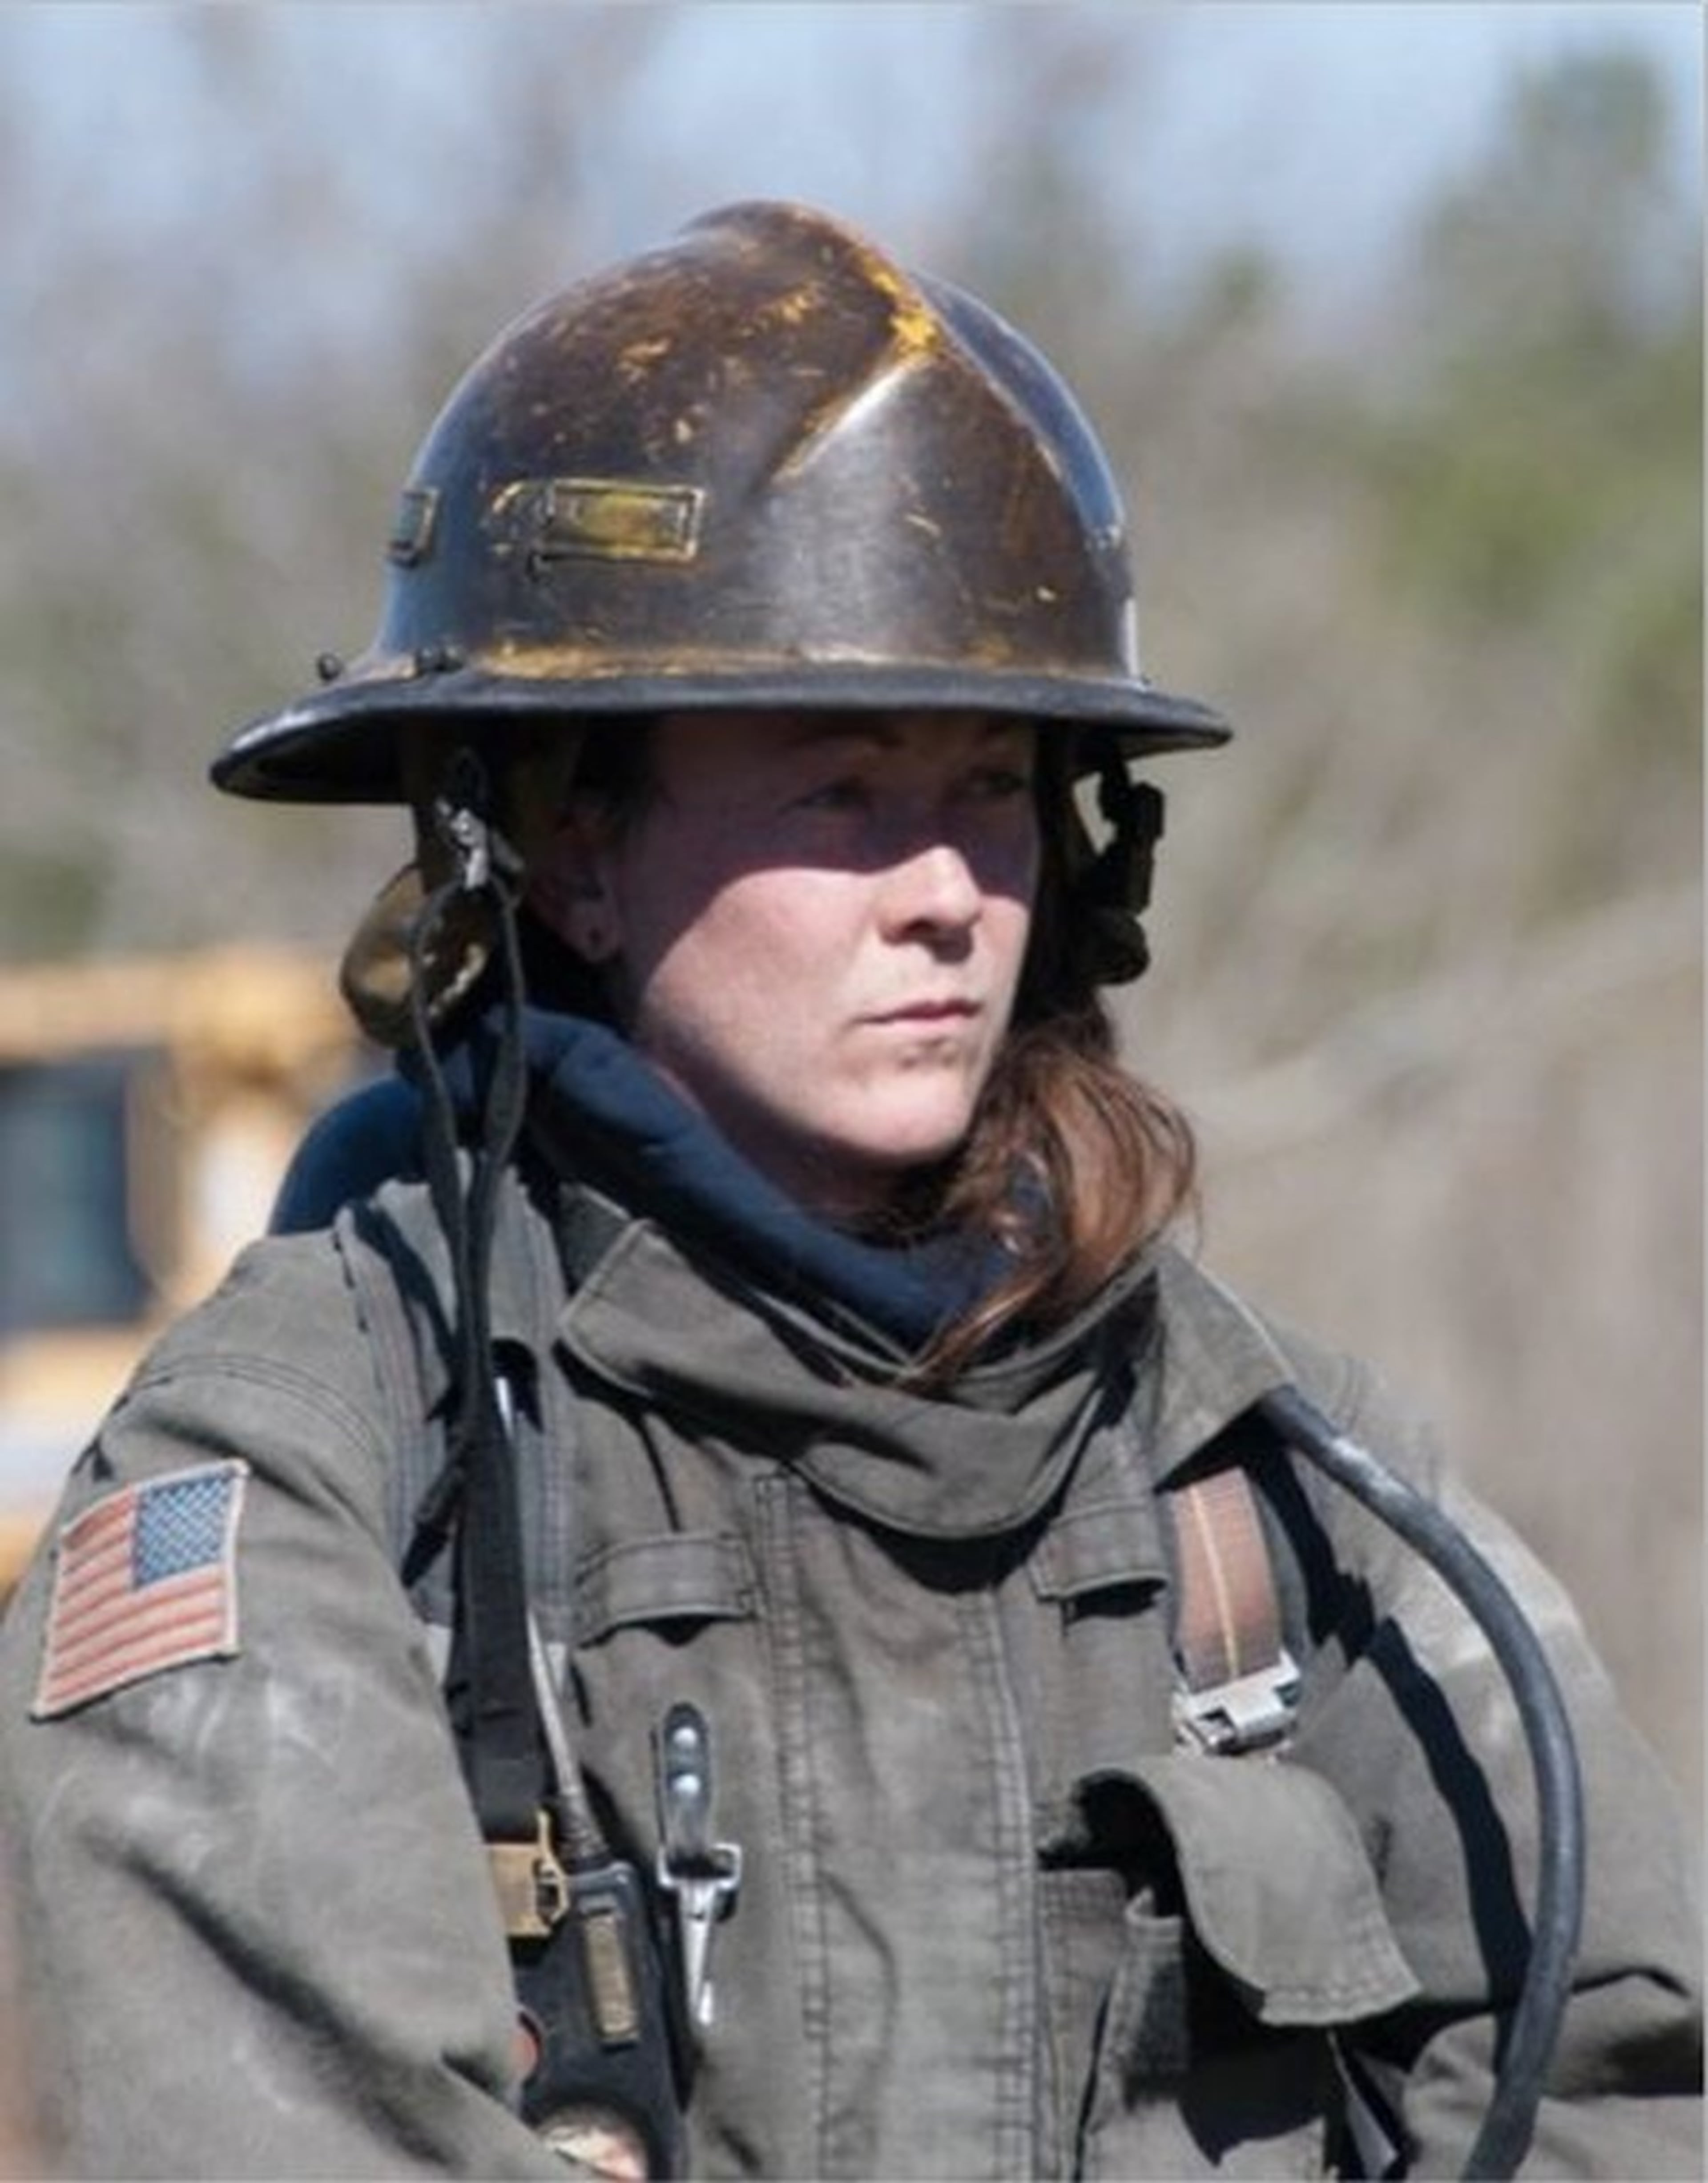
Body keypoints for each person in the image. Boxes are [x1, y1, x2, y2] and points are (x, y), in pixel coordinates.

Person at [0, 199, 1697, 2183]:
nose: (947, 893)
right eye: (843, 791)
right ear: (572, 853)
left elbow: (1621, 2083)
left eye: (990, 788)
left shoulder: (1271, 1478)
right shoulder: (313, 1471)